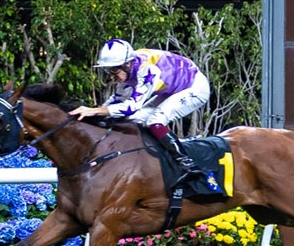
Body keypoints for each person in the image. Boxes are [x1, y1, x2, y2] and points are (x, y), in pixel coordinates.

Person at [72, 38, 210, 175]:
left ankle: (186, 161)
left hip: (194, 87)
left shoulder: (147, 69)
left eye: (114, 70)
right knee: (132, 119)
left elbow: (132, 106)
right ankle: (165, 147)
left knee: (154, 121)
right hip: (171, 89)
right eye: (108, 70)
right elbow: (115, 102)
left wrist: (95, 111)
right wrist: (91, 114)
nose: (111, 76)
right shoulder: (129, 69)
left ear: (127, 64)